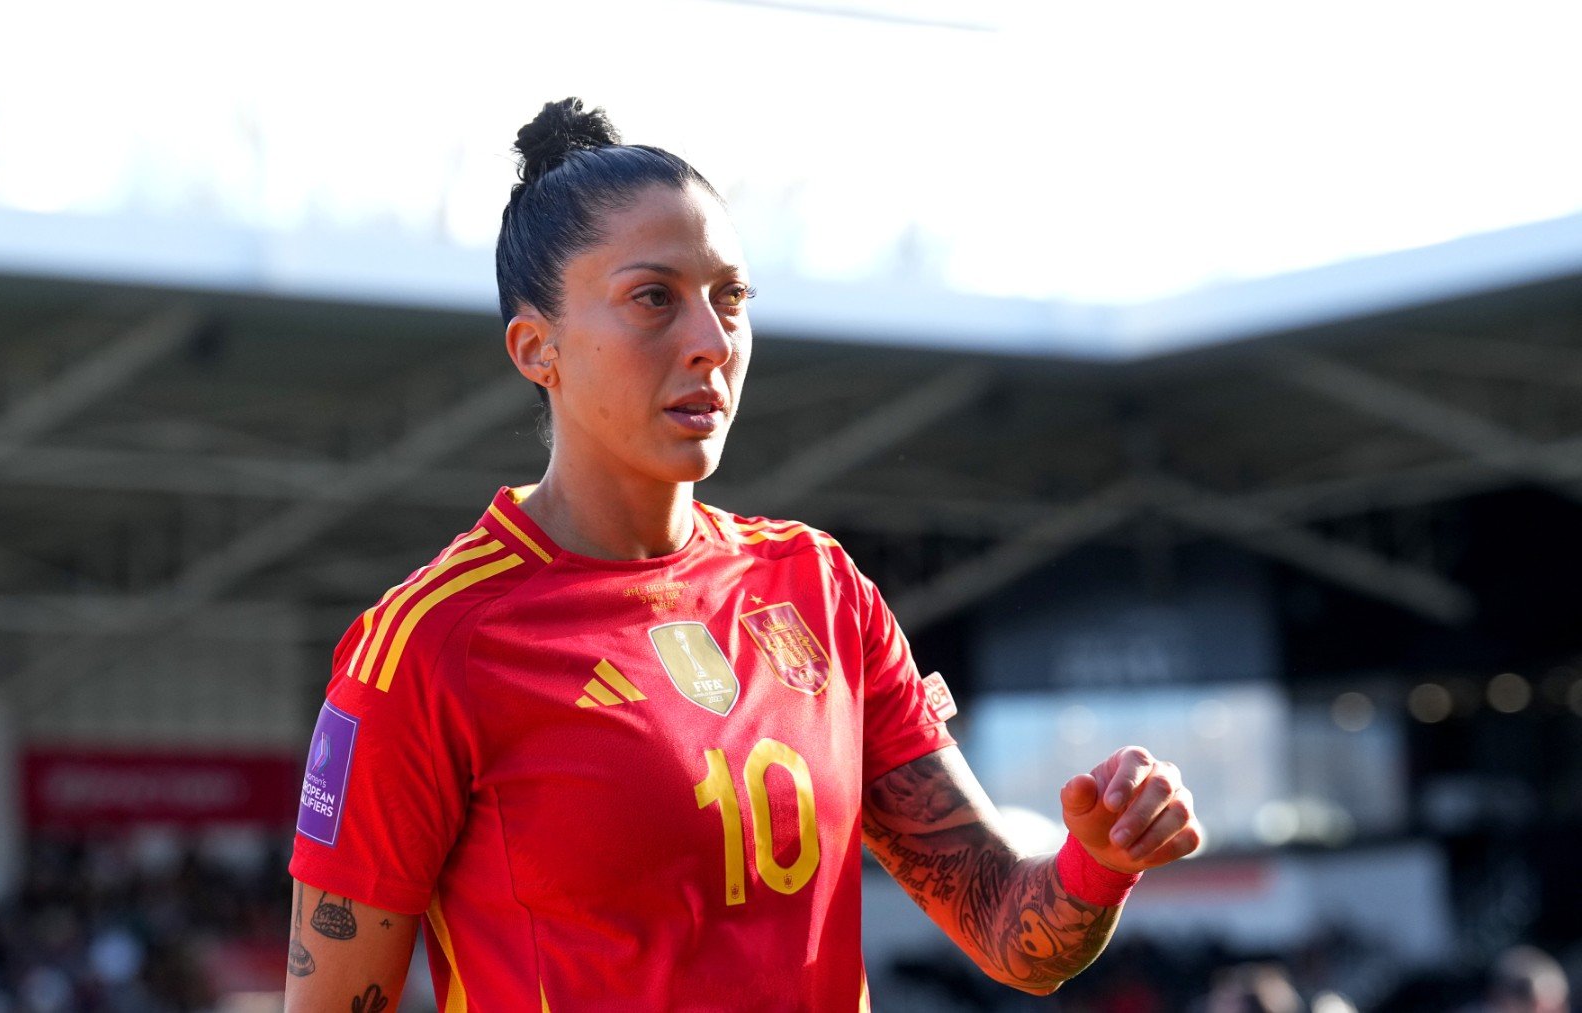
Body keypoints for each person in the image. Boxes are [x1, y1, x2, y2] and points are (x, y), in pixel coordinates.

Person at [283, 98, 1203, 1011]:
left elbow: (1012, 933)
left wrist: (1100, 859)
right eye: (654, 299)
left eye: (730, 299)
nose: (712, 344)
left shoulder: (820, 589)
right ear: (537, 347)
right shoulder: (429, 645)